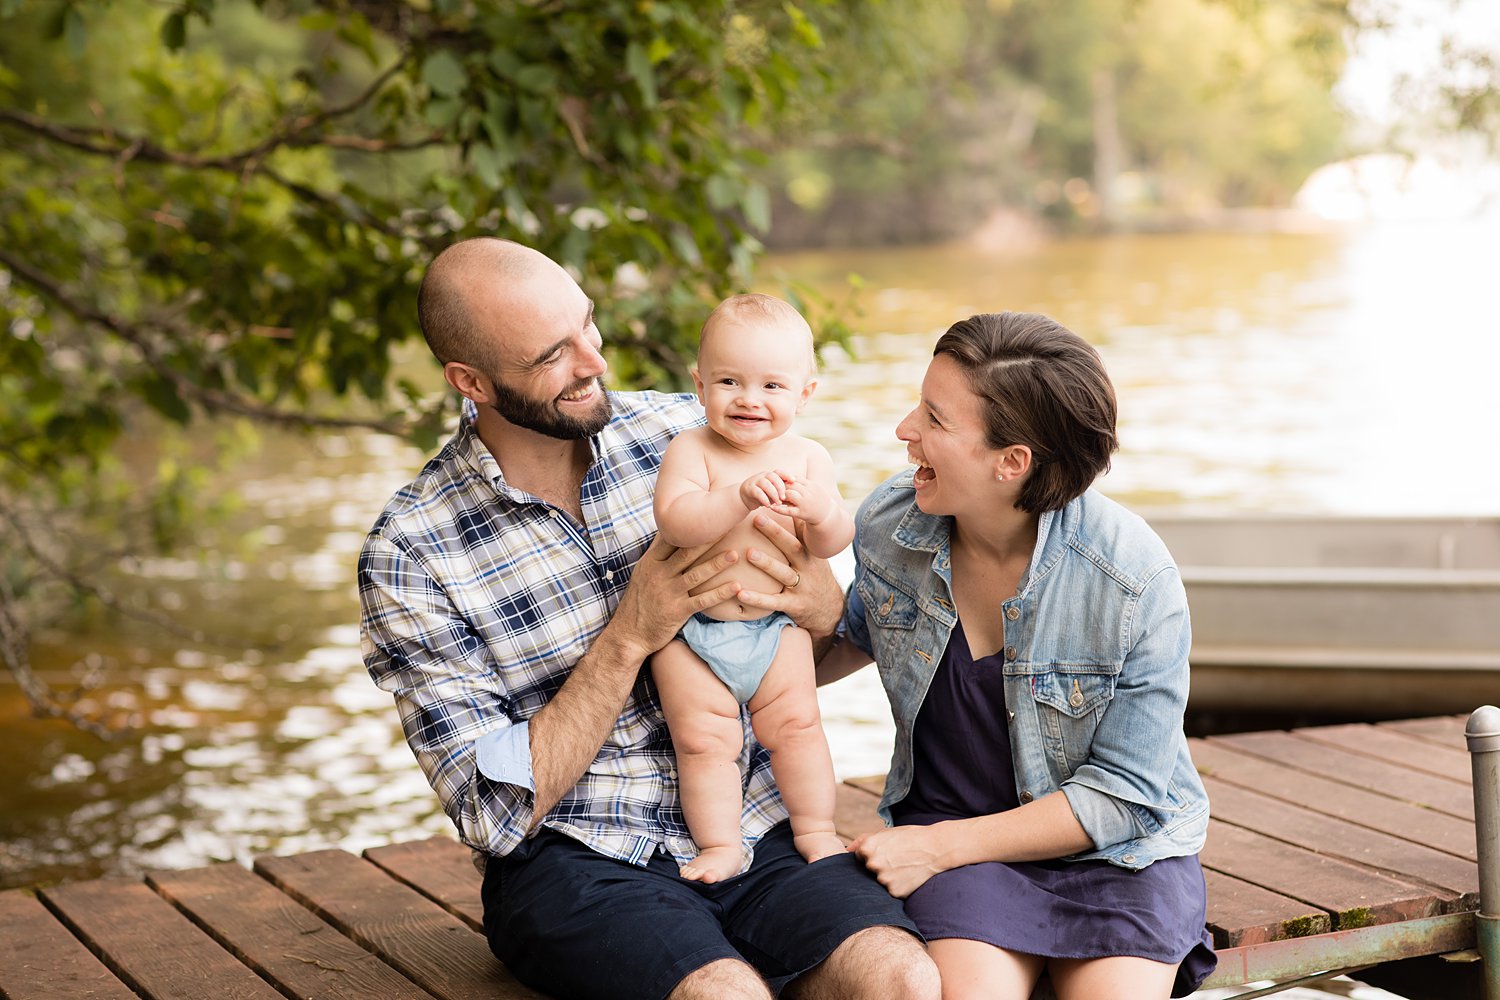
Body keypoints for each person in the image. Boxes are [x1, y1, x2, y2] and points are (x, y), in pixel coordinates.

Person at [358, 238, 937, 1000]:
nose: (594, 361)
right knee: (724, 995)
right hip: (579, 857)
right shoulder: (411, 551)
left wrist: (824, 605)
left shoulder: (699, 429)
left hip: (759, 818)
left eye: (587, 325)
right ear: (472, 381)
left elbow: (832, 635)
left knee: (903, 979)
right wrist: (630, 632)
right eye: (552, 355)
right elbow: (490, 812)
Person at [820, 312, 1217, 1000]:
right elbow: (853, 635)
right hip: (957, 842)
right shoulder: (890, 523)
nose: (904, 430)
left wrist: (932, 848)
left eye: (934, 419)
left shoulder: (1132, 579)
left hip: (1116, 858)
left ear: (1012, 462)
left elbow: (1125, 798)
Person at [651, 294, 852, 883]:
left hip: (775, 629)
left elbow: (832, 542)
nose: (749, 399)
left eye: (771, 385)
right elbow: (676, 521)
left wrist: (821, 513)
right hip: (694, 633)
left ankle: (816, 829)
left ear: (804, 394)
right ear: (700, 384)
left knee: (799, 730)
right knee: (703, 742)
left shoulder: (809, 458)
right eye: (729, 381)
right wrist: (736, 496)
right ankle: (719, 845)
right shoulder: (691, 449)